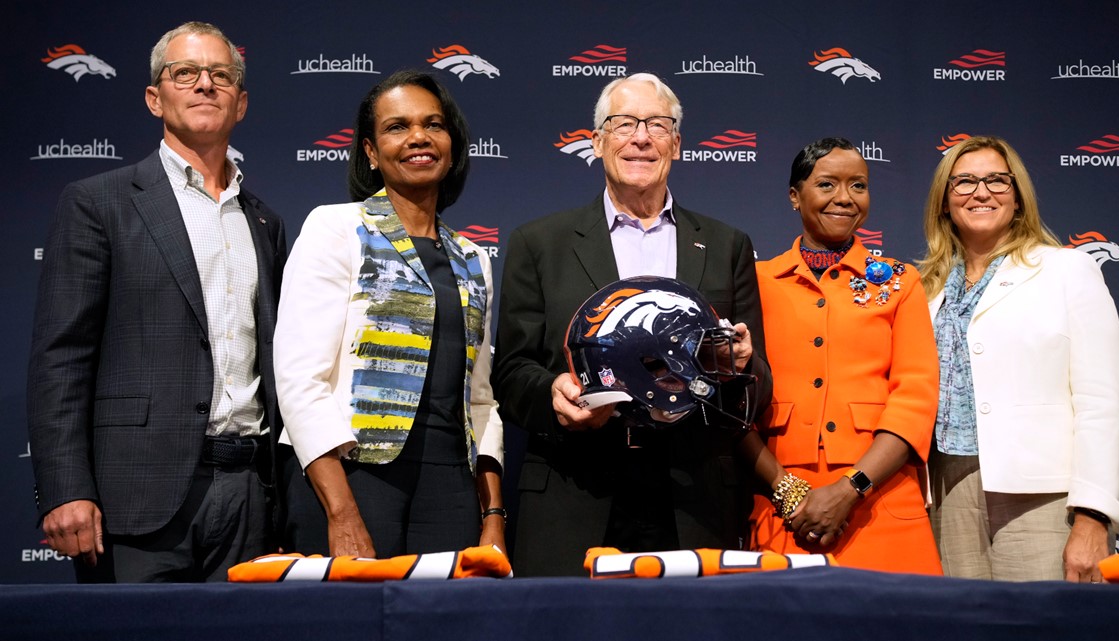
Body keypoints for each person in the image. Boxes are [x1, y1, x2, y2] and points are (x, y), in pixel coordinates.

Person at [26, 22, 286, 582]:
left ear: (240, 103)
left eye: (221, 75)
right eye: (185, 73)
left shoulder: (264, 221)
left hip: (251, 496)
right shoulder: (98, 203)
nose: (204, 85)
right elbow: (61, 357)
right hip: (135, 496)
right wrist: (66, 488)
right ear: (154, 97)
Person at [491, 72, 772, 577]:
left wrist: (738, 364)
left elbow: (759, 387)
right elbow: (511, 374)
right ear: (597, 142)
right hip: (573, 494)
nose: (641, 137)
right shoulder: (540, 243)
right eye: (623, 124)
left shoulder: (727, 244)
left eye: (657, 125)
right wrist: (553, 394)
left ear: (677, 144)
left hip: (692, 498)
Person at [274, 70, 505, 559]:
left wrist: (493, 516)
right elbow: (299, 381)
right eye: (397, 127)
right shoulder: (336, 228)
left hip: (450, 488)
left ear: (452, 143)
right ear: (371, 153)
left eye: (433, 124)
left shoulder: (473, 258)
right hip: (352, 477)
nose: (418, 137)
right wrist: (341, 512)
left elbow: (481, 400)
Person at [918, 135, 1119, 582]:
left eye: (997, 180)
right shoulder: (925, 288)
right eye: (964, 182)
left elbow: (1101, 401)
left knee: (1044, 626)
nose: (981, 192)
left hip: (1043, 495)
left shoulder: (1068, 269)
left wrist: (1093, 516)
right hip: (946, 488)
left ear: (1017, 197)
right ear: (944, 201)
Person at [745, 137, 942, 575]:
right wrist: (785, 489)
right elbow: (731, 399)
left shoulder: (899, 281)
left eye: (858, 186)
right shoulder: (756, 281)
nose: (844, 198)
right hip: (780, 507)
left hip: (881, 500)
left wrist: (851, 489)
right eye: (827, 184)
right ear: (795, 196)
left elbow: (915, 398)